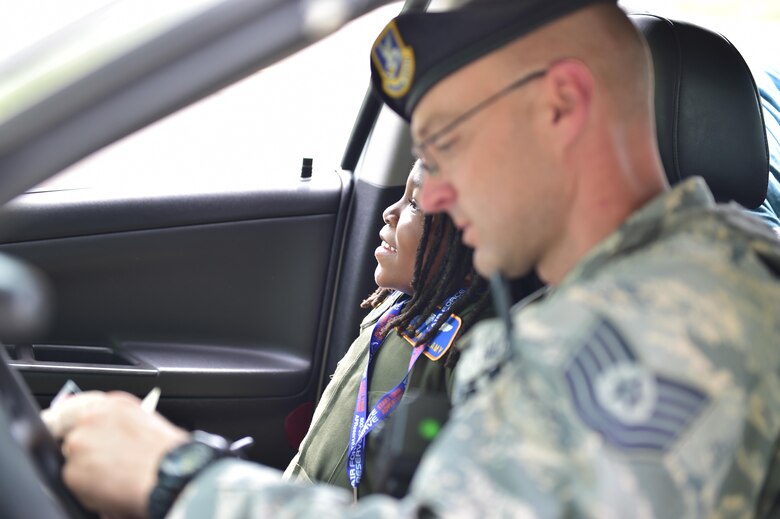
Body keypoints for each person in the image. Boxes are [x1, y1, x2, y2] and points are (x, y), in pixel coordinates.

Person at [46, 1, 780, 518]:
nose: (436, 194)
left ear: (560, 104)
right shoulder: (643, 287)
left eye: (444, 149)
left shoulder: (674, 314)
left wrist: (176, 480)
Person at [282, 162, 493, 495]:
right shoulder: (396, 305)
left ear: (466, 230)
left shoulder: (470, 347)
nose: (389, 212)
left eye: (413, 203)